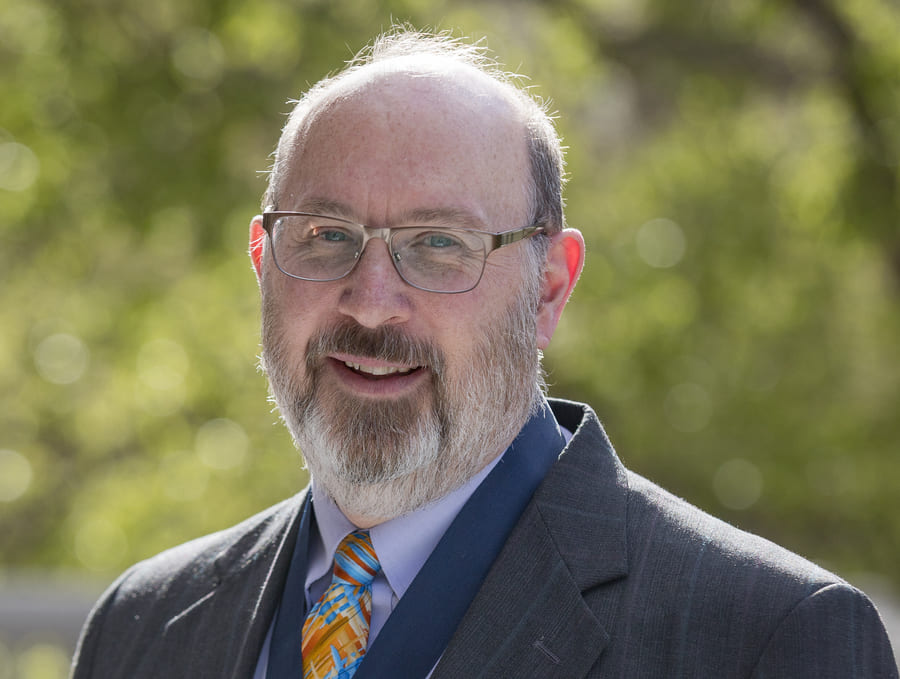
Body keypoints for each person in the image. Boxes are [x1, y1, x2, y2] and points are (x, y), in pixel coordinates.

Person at [70, 28, 897, 679]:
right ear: (262, 262)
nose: (370, 299)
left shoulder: (765, 639)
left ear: (548, 291)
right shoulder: (142, 628)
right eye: (326, 237)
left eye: (438, 243)